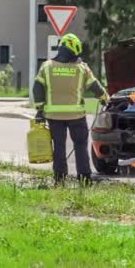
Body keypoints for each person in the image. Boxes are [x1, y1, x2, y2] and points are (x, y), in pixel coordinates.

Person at [32, 33, 109, 186]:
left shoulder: (47, 66)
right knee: (80, 146)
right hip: (77, 117)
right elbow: (96, 88)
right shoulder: (81, 67)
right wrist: (105, 99)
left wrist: (40, 109)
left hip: (54, 117)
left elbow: (37, 89)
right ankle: (85, 178)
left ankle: (60, 179)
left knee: (59, 147)